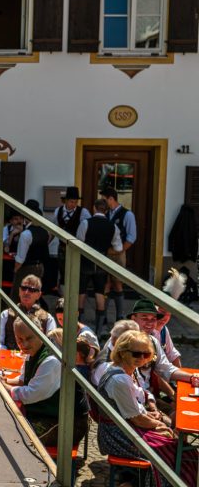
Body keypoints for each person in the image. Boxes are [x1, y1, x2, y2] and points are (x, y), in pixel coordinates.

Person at [96, 330, 198, 485]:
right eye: (137, 354)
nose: (142, 358)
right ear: (122, 353)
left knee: (181, 447)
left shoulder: (129, 369)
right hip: (117, 435)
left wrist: (152, 411)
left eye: (147, 354)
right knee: (176, 451)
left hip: (126, 426)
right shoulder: (120, 380)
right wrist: (160, 424)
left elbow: (138, 403)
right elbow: (137, 419)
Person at [3, 317, 89, 448]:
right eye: (19, 339)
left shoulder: (51, 360)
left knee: (13, 435)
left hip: (67, 424)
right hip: (49, 415)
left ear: (40, 331)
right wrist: (5, 380)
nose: (24, 344)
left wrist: (5, 387)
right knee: (7, 423)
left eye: (29, 338)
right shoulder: (33, 351)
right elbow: (23, 380)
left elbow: (30, 394)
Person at [76, 198, 122, 335]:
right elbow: (118, 248)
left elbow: (78, 243)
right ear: (106, 211)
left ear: (94, 208)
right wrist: (105, 250)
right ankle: (99, 331)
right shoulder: (113, 226)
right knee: (100, 293)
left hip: (86, 261)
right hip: (101, 262)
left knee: (81, 292)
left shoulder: (85, 223)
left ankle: (78, 326)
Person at [102, 187, 137, 321]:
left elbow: (131, 237)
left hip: (118, 254)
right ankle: (103, 315)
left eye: (104, 200)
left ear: (111, 199)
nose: (103, 203)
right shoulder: (105, 213)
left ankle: (120, 316)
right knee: (105, 284)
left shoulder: (127, 214)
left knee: (117, 284)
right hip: (105, 253)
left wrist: (119, 250)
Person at [0, 274, 56, 350]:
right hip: (9, 355)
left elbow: (51, 346)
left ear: (38, 295)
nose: (26, 292)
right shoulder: (5, 314)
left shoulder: (48, 319)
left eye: (32, 290)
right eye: (23, 288)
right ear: (19, 291)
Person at [13, 200, 48, 292]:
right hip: (40, 267)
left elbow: (20, 260)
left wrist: (15, 271)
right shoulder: (45, 231)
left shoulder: (26, 234)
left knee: (18, 294)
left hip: (27, 268)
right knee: (35, 294)